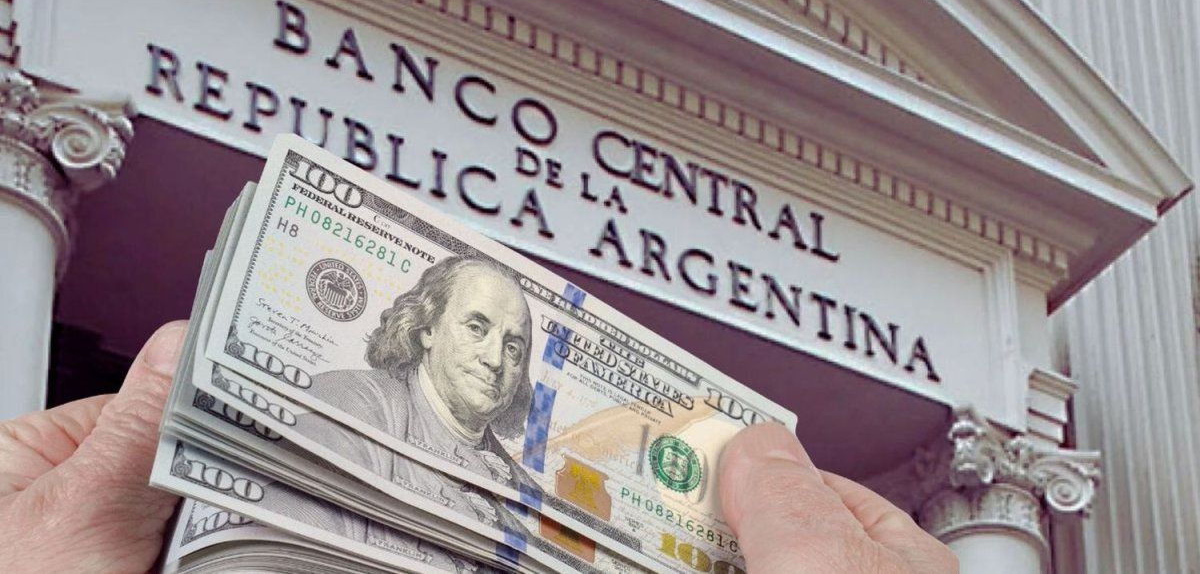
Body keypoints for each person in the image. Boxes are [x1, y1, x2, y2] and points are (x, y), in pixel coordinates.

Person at [0, 321, 958, 574]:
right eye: (477, 328)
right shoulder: (345, 402)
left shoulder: (525, 481)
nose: (500, 354)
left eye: (514, 341)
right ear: (421, 332)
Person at [296, 255, 537, 492]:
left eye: (512, 348)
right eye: (476, 328)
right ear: (428, 329)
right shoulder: (349, 402)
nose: (495, 360)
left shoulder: (525, 491)